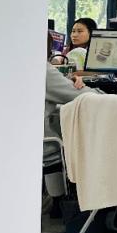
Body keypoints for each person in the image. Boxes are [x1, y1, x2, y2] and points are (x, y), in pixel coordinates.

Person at [44, 32, 99, 209]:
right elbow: (87, 96)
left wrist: (65, 81)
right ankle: (77, 204)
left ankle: (56, 201)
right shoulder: (42, 71)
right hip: (44, 145)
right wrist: (98, 90)